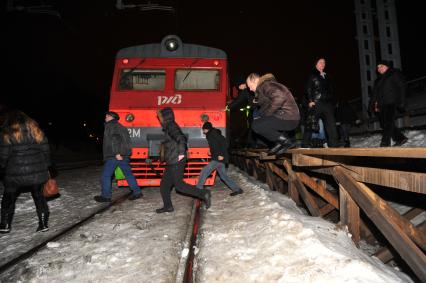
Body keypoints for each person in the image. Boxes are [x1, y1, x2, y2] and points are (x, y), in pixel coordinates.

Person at [0, 110, 51, 233]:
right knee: (39, 196)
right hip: (36, 172)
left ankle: (5, 224)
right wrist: (47, 165)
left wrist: (2, 167)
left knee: (8, 197)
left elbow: (3, 155)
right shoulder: (36, 131)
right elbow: (46, 150)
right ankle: (43, 224)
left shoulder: (7, 132)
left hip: (14, 172)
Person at [156, 107, 211, 213]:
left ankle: (204, 193)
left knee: (179, 186)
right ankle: (168, 206)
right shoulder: (168, 126)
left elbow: (181, 138)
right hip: (171, 161)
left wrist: (181, 153)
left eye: (161, 117)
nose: (160, 119)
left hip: (176, 160)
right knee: (164, 185)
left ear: (165, 117)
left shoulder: (171, 126)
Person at [246, 73, 300, 155]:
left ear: (254, 80)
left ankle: (286, 141)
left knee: (256, 125)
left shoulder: (266, 85)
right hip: (288, 117)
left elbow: (280, 98)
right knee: (259, 123)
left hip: (287, 117)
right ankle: (280, 143)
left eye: (249, 86)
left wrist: (267, 114)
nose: (250, 89)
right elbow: (267, 104)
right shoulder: (265, 86)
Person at [94, 111, 142, 202]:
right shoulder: (121, 127)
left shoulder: (110, 126)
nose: (105, 118)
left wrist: (117, 153)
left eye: (106, 116)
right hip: (124, 155)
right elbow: (127, 141)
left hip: (114, 155)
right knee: (128, 174)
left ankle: (106, 196)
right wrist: (124, 154)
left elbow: (115, 140)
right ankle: (137, 192)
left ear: (111, 117)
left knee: (106, 175)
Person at [197, 122, 243, 196]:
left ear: (206, 129)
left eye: (204, 129)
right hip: (218, 158)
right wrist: (210, 151)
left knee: (204, 171)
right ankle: (237, 189)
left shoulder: (213, 133)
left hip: (218, 158)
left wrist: (221, 154)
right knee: (223, 176)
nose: (203, 131)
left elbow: (224, 142)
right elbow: (216, 145)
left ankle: (198, 190)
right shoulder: (210, 134)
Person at [302, 57, 339, 147]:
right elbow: (308, 89)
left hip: (328, 103)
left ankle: (334, 144)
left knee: (331, 124)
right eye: (320, 62)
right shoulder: (312, 76)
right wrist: (310, 101)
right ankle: (305, 144)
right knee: (311, 123)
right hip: (316, 102)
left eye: (324, 62)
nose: (322, 64)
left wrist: (333, 101)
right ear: (316, 64)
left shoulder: (328, 76)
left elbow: (332, 90)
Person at [370, 60, 408, 147]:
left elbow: (401, 87)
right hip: (381, 104)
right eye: (378, 67)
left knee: (388, 122)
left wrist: (402, 101)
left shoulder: (394, 74)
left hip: (392, 102)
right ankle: (400, 138)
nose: (379, 68)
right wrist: (375, 104)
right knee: (384, 123)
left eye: (381, 66)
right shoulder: (378, 80)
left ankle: (385, 143)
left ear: (387, 66)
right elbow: (375, 93)